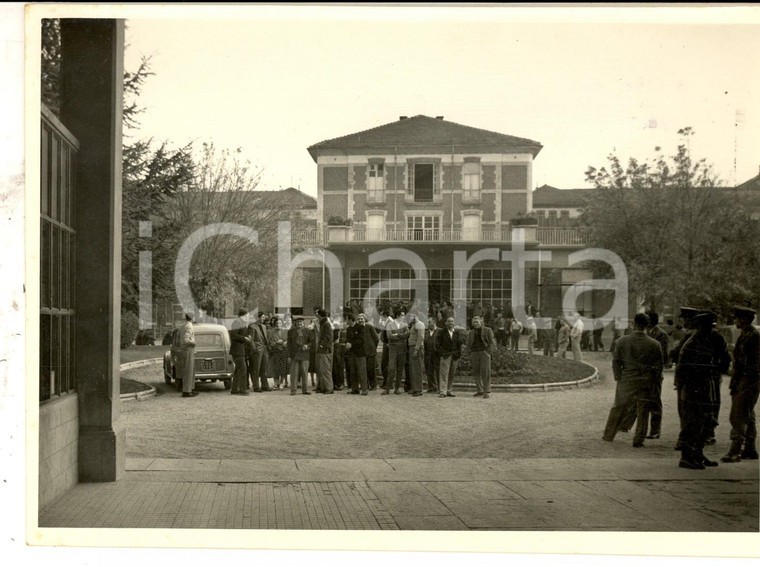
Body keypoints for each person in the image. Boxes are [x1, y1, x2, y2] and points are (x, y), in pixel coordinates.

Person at [602, 313, 663, 447]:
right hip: (646, 381)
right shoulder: (655, 344)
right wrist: (655, 381)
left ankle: (609, 434)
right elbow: (658, 366)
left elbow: (616, 362)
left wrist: (618, 377)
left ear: (633, 324)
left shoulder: (622, 341)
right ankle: (638, 439)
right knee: (643, 410)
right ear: (647, 326)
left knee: (618, 406)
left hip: (627, 379)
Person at [675, 310, 725, 469]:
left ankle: (698, 453)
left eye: (711, 326)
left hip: (708, 385)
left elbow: (724, 358)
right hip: (693, 388)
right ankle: (686, 457)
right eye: (707, 326)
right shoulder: (692, 343)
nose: (710, 329)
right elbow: (682, 368)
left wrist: (717, 370)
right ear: (700, 327)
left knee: (707, 421)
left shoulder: (714, 338)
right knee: (692, 422)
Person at [722, 306, 760, 463]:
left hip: (748, 379)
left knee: (738, 415)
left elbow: (750, 361)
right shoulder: (747, 334)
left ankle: (735, 450)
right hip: (744, 379)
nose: (735, 320)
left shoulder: (752, 336)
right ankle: (750, 448)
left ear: (744, 319)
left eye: (737, 318)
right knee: (748, 414)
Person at [644, 311, 669, 440]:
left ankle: (655, 430)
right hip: (643, 372)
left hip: (654, 372)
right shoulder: (644, 332)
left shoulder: (661, 335)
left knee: (654, 401)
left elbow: (664, 356)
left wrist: (657, 372)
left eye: (647, 319)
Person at [435, 316, 465, 398]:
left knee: (452, 373)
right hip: (445, 355)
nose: (450, 323)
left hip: (454, 356)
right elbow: (437, 344)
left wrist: (458, 354)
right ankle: (443, 391)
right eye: (449, 321)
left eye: (452, 321)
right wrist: (441, 353)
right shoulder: (441, 332)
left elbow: (459, 344)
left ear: (454, 323)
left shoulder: (457, 333)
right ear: (446, 323)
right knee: (444, 374)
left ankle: (449, 390)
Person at [468, 315, 495, 399]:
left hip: (484, 352)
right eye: (474, 322)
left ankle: (486, 391)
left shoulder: (487, 330)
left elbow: (492, 342)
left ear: (481, 322)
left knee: (485, 371)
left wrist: (487, 352)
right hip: (474, 353)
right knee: (476, 372)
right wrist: (470, 352)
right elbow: (469, 343)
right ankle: (480, 390)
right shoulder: (471, 332)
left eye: (477, 322)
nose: (475, 323)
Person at [383, 308, 409, 395]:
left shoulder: (405, 325)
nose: (404, 316)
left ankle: (397, 388)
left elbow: (407, 335)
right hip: (393, 348)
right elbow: (389, 336)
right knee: (391, 368)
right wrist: (401, 336)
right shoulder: (390, 325)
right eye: (402, 315)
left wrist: (397, 334)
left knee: (400, 368)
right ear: (398, 316)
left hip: (402, 348)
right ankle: (388, 388)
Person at [346, 312, 370, 395]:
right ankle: (354, 389)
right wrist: (347, 343)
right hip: (352, 353)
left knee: (362, 371)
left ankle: (364, 389)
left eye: (346, 319)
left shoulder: (360, 327)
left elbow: (361, 340)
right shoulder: (348, 329)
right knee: (353, 371)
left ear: (350, 319)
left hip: (360, 353)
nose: (345, 321)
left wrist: (351, 343)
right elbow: (348, 338)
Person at [247, 312, 272, 392]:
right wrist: (254, 349)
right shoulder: (252, 327)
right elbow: (251, 340)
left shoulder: (264, 326)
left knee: (264, 368)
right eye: (262, 317)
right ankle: (256, 386)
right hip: (257, 349)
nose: (263, 319)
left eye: (264, 317)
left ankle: (265, 385)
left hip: (264, 348)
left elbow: (265, 338)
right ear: (257, 318)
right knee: (256, 368)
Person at [229, 309, 251, 395]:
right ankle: (242, 389)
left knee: (238, 370)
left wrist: (246, 336)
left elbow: (239, 334)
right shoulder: (237, 322)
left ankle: (234, 389)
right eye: (247, 315)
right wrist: (244, 338)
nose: (248, 317)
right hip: (237, 350)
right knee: (242, 369)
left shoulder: (241, 323)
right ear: (244, 315)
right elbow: (233, 336)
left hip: (240, 349)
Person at [287, 317, 311, 395]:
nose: (299, 323)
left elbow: (311, 342)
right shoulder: (290, 332)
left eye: (301, 322)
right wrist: (289, 355)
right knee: (294, 372)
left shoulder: (308, 331)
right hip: (294, 354)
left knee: (304, 372)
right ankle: (293, 390)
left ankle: (305, 389)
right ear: (295, 323)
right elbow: (289, 344)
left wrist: (307, 346)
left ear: (303, 323)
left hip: (304, 353)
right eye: (297, 322)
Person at [406, 311, 426, 397]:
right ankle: (415, 388)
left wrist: (416, 349)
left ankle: (418, 389)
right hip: (412, 347)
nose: (410, 318)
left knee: (416, 368)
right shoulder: (413, 325)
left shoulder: (419, 324)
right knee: (413, 369)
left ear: (416, 317)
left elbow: (420, 337)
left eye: (412, 317)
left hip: (416, 347)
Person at [179, 313, 198, 398]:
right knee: (188, 370)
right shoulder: (189, 327)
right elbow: (186, 339)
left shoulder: (183, 326)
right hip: (188, 349)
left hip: (185, 349)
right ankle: (186, 390)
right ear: (192, 318)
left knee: (190, 370)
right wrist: (193, 342)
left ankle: (190, 389)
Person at [315, 308, 334, 394]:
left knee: (325, 369)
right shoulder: (325, 323)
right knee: (321, 369)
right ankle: (323, 387)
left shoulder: (326, 324)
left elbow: (329, 337)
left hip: (324, 350)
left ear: (319, 315)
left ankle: (329, 388)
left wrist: (322, 345)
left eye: (317, 314)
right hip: (323, 349)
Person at [267, 317, 288, 390]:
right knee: (275, 368)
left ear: (282, 323)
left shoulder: (286, 331)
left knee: (283, 368)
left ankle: (282, 382)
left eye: (280, 323)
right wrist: (276, 342)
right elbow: (270, 343)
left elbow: (289, 340)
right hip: (275, 352)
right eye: (277, 323)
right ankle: (276, 382)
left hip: (284, 351)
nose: (278, 324)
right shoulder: (272, 332)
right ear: (275, 324)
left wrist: (286, 342)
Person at [424, 318, 440, 393]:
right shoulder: (426, 333)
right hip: (428, 354)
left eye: (429, 322)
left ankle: (440, 387)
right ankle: (432, 387)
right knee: (429, 370)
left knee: (438, 371)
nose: (428, 324)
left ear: (434, 323)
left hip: (437, 354)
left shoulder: (440, 331)